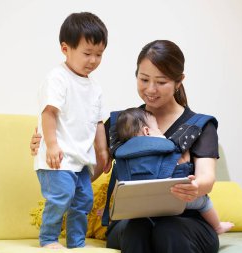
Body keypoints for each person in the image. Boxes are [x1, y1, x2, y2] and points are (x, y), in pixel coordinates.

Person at [31, 39, 222, 253]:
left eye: (161, 82)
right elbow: (87, 167)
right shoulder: (120, 125)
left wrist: (195, 188)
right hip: (132, 221)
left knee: (168, 229)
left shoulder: (199, 126)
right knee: (136, 229)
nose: (151, 89)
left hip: (186, 222)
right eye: (144, 79)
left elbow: (207, 178)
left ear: (179, 82)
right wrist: (52, 147)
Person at [34, 12, 111, 249]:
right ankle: (48, 239)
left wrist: (102, 150)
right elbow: (49, 113)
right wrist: (52, 144)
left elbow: (98, 122)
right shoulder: (58, 78)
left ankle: (76, 241)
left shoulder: (94, 88)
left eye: (99, 54)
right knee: (61, 197)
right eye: (87, 53)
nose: (93, 60)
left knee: (83, 200)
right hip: (56, 159)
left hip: (80, 161)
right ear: (65, 48)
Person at [113, 107, 234, 234]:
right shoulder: (163, 144)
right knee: (204, 202)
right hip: (172, 197)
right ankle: (218, 227)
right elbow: (181, 161)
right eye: (158, 129)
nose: (161, 132)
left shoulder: (123, 154)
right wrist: (185, 158)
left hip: (137, 205)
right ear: (147, 131)